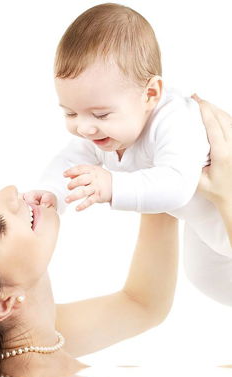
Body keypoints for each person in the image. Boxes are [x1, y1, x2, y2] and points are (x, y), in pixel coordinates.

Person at [0, 91, 230, 377]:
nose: (8, 191)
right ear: (2, 304)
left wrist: (150, 160)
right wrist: (226, 194)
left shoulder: (32, 336)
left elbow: (142, 304)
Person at [24, 3, 232, 305]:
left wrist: (113, 186)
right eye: (70, 113)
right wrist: (51, 192)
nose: (84, 128)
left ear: (150, 94)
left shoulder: (175, 121)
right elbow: (70, 160)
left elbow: (176, 185)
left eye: (101, 114)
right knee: (202, 274)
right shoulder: (109, 130)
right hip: (208, 223)